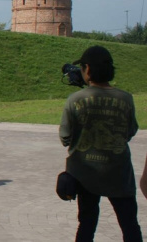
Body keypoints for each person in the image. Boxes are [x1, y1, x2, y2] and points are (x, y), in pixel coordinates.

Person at [59, 46, 141, 241]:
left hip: (85, 175)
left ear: (87, 69)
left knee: (86, 224)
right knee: (129, 225)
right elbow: (130, 131)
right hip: (119, 174)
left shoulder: (75, 99)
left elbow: (65, 137)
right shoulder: (126, 98)